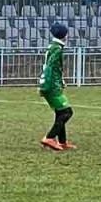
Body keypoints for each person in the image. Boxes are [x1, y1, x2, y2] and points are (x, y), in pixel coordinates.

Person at [39, 22, 75, 151]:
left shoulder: (54, 46)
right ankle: (49, 138)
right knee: (67, 112)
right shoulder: (57, 49)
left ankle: (62, 142)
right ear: (64, 35)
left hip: (53, 84)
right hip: (52, 86)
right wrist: (47, 84)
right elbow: (51, 68)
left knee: (60, 112)